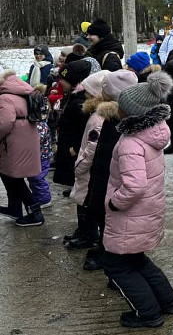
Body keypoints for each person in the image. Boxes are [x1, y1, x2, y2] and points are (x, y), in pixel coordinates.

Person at [103, 69, 173, 328]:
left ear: (132, 113)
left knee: (117, 265)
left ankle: (147, 313)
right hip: (147, 211)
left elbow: (134, 186)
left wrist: (115, 201)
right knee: (136, 259)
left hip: (130, 214)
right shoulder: (154, 132)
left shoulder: (130, 143)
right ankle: (168, 302)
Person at [81, 69, 139, 271]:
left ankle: (113, 258)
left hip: (112, 183)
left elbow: (109, 158)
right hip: (106, 178)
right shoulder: (111, 118)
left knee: (111, 222)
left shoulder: (116, 121)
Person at [63, 71, 108, 250]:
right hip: (88, 167)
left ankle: (90, 236)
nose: (85, 93)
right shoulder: (94, 112)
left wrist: (79, 165)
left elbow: (92, 147)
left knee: (88, 202)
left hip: (88, 168)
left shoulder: (98, 118)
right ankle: (86, 232)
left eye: (88, 91)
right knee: (84, 201)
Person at [0, 70, 44, 226]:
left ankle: (35, 213)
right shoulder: (25, 93)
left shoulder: (5, 98)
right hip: (27, 139)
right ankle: (15, 208)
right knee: (11, 176)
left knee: (13, 178)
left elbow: (4, 123)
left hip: (13, 143)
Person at [53, 60, 92, 191]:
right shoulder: (73, 97)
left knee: (76, 175)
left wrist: (74, 148)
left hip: (73, 149)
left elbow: (84, 128)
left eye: (63, 79)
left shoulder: (79, 103)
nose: (60, 82)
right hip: (68, 145)